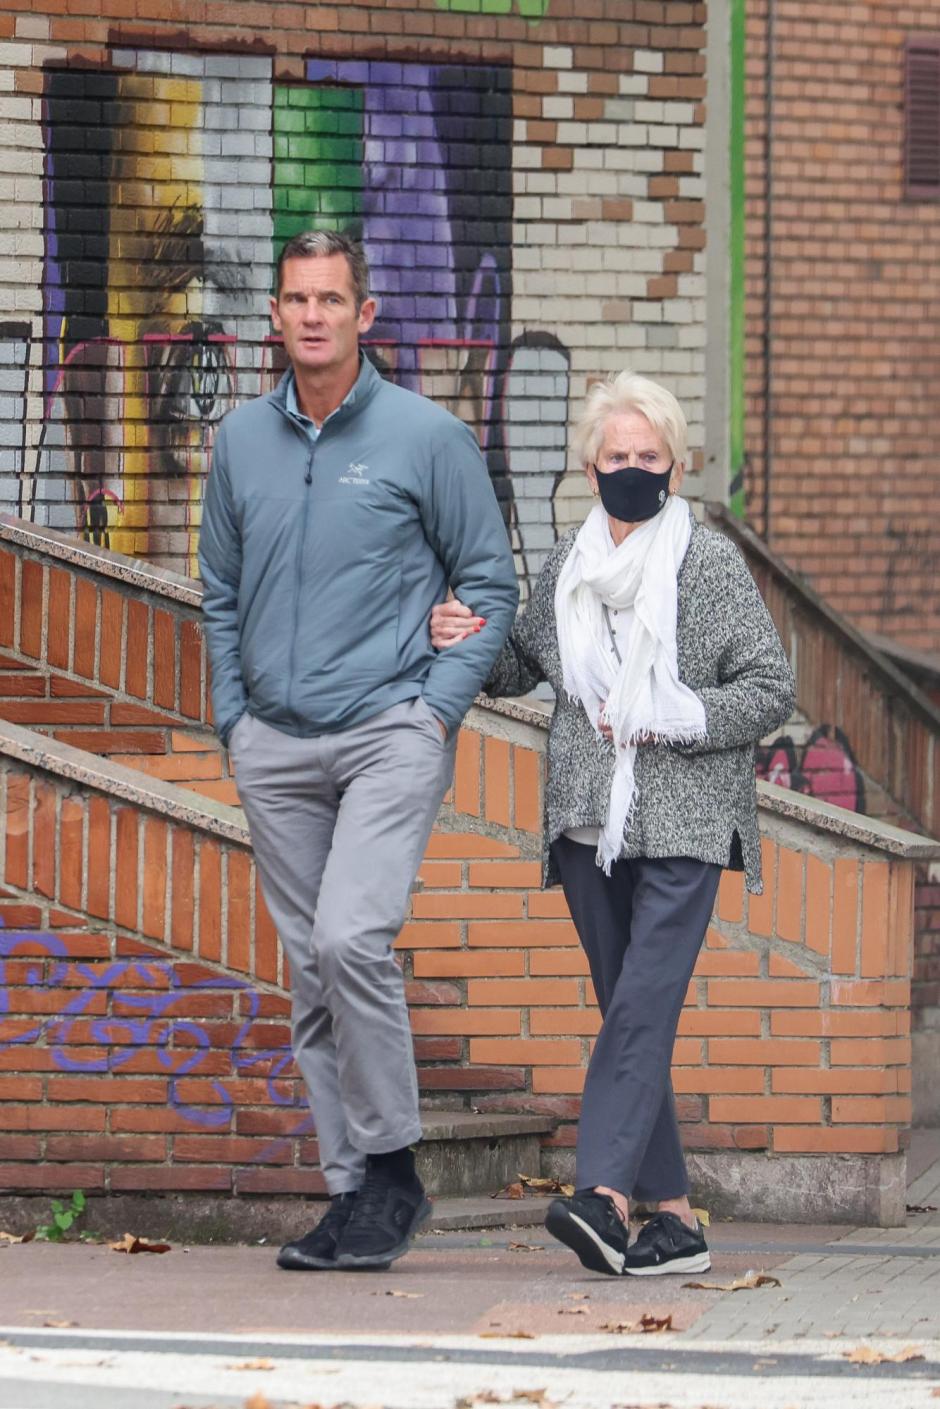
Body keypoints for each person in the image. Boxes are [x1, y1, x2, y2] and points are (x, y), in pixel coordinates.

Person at [198, 230, 518, 1272]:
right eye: (296, 298)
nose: (314, 315)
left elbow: (493, 581)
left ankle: (392, 1169)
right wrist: (232, 717)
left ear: (365, 314)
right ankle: (351, 1194)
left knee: (349, 940)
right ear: (278, 317)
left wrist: (436, 711)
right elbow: (218, 590)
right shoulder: (239, 441)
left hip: (389, 730)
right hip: (274, 746)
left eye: (332, 297)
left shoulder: (427, 436)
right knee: (309, 971)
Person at [431, 371, 794, 1277]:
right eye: (616, 455)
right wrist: (461, 634)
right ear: (589, 464)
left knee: (638, 1006)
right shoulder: (568, 567)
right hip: (589, 823)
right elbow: (517, 664)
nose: (632, 469)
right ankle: (674, 1221)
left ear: (675, 463)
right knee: (632, 1013)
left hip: (688, 825)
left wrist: (675, 711)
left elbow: (771, 688)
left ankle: (604, 1195)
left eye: (649, 455)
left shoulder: (706, 564)